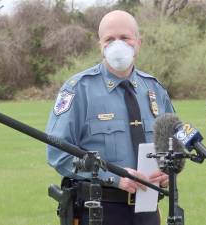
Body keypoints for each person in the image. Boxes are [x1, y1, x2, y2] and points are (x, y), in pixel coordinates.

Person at [46, 10, 174, 225]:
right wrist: (114, 178)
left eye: (125, 38)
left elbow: (172, 143)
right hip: (98, 210)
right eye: (110, 39)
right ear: (100, 45)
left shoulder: (154, 89)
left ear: (138, 43)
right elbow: (58, 153)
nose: (118, 44)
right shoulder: (78, 89)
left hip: (148, 208)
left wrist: (167, 171)